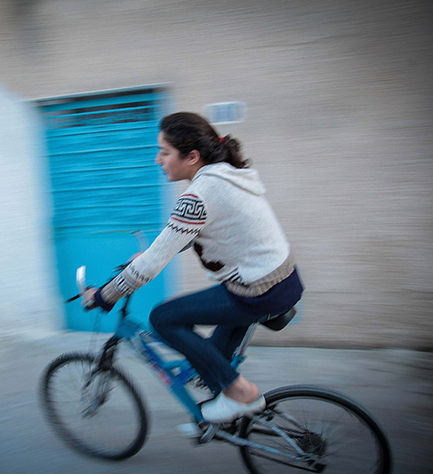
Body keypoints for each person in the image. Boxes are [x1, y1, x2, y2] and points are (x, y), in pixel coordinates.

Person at [83, 112, 303, 424]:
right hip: (281, 281)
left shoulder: (199, 195)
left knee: (163, 317)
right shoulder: (225, 173)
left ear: (192, 157)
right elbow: (196, 230)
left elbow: (151, 266)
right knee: (210, 357)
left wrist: (105, 295)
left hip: (257, 291)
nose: (158, 159)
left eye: (165, 152)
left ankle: (240, 394)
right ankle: (226, 401)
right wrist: (150, 253)